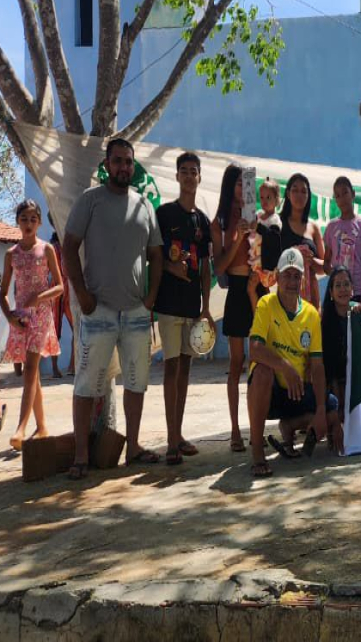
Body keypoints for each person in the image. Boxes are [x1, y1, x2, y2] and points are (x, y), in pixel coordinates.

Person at [63, 138, 163, 478]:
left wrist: (150, 298)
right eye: (118, 161)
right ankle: (80, 457)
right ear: (107, 165)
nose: (123, 167)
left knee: (136, 383)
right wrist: (82, 295)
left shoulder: (144, 206)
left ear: (133, 167)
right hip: (98, 312)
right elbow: (69, 247)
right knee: (86, 386)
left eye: (128, 162)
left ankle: (133, 448)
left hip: (136, 313)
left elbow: (156, 254)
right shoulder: (89, 201)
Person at [246, 247, 332, 477]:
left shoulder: (311, 314)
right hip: (271, 392)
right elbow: (254, 349)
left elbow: (317, 366)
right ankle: (257, 452)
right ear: (277, 276)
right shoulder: (266, 304)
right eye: (287, 275)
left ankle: (290, 425)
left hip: (297, 391)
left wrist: (321, 410)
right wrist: (285, 366)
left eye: (296, 276)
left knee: (333, 413)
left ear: (302, 279)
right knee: (262, 371)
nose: (292, 282)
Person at [154, 152, 214, 465]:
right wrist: (169, 267)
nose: (190, 176)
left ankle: (178, 435)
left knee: (186, 370)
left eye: (194, 171)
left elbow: (205, 267)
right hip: (168, 304)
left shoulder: (202, 222)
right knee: (171, 368)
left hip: (192, 306)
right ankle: (170, 442)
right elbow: (153, 256)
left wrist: (206, 308)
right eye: (184, 171)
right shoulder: (164, 214)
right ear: (177, 176)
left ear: (199, 177)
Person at [0, 200, 63, 451]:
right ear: (18, 221)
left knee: (29, 370)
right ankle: (42, 426)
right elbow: (3, 293)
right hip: (21, 317)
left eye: (33, 219)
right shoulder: (11, 254)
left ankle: (21, 428)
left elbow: (59, 286)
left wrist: (40, 297)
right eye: (24, 219)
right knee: (32, 373)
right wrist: (9, 316)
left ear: (39, 222)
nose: (28, 223)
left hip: (42, 315)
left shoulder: (47, 249)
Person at [211, 164, 255, 453]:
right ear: (230, 186)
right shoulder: (220, 222)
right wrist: (237, 239)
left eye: (246, 183)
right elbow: (219, 268)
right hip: (237, 290)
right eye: (238, 183)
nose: (243, 188)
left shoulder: (255, 215)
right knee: (236, 363)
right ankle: (236, 430)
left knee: (259, 361)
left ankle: (256, 426)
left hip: (256, 288)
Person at [320, 266, 361, 453]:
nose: (343, 289)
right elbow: (328, 370)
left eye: (346, 284)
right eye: (338, 285)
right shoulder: (324, 321)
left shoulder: (359, 313)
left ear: (352, 289)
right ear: (330, 292)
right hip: (332, 381)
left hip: (355, 379)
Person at [324, 176, 361, 311]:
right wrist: (336, 275)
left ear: (353, 194)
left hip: (358, 293)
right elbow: (326, 264)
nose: (342, 198)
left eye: (345, 193)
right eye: (338, 195)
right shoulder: (331, 227)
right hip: (338, 294)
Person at [280, 173, 325, 303]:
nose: (299, 195)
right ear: (288, 194)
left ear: (308, 195)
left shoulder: (314, 227)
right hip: (286, 296)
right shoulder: (278, 223)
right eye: (295, 190)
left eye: (303, 191)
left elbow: (325, 267)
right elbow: (270, 262)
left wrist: (311, 261)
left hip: (311, 298)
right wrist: (292, 256)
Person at [247, 178, 282, 312]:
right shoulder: (259, 215)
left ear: (277, 200)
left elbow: (273, 238)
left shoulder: (275, 220)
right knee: (255, 289)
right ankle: (260, 314)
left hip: (266, 265)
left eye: (268, 197)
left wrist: (258, 227)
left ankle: (260, 315)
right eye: (262, 197)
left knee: (254, 288)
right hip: (256, 259)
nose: (264, 201)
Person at [47, 212, 73, 378]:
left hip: (70, 289)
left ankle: (72, 366)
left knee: (77, 328)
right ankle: (55, 368)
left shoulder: (69, 240)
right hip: (57, 290)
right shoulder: (52, 245)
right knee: (55, 331)